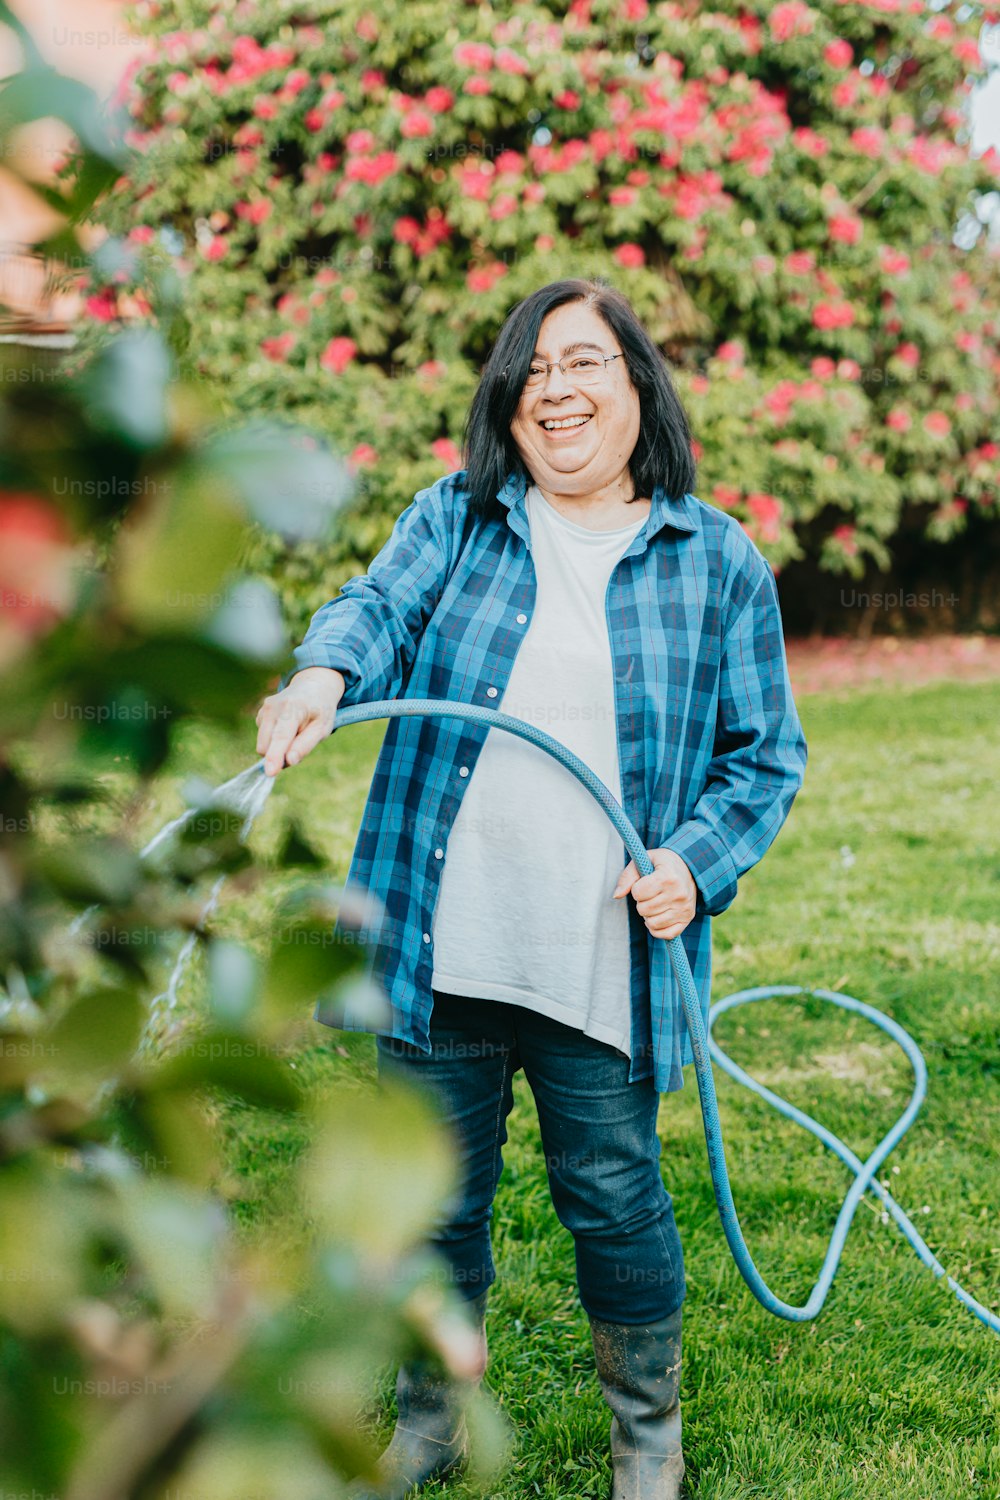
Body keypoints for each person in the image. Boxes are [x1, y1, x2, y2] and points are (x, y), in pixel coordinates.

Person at [255, 277, 808, 1500]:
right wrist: (320, 674)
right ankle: (431, 1419)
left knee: (611, 1201)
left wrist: (696, 867)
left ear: (635, 385)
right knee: (433, 1209)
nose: (555, 390)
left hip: (598, 950)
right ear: (507, 409)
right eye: (532, 372)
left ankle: (644, 1436)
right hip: (440, 939)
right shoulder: (457, 518)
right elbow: (374, 607)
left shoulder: (714, 559)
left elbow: (764, 757)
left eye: (584, 364)